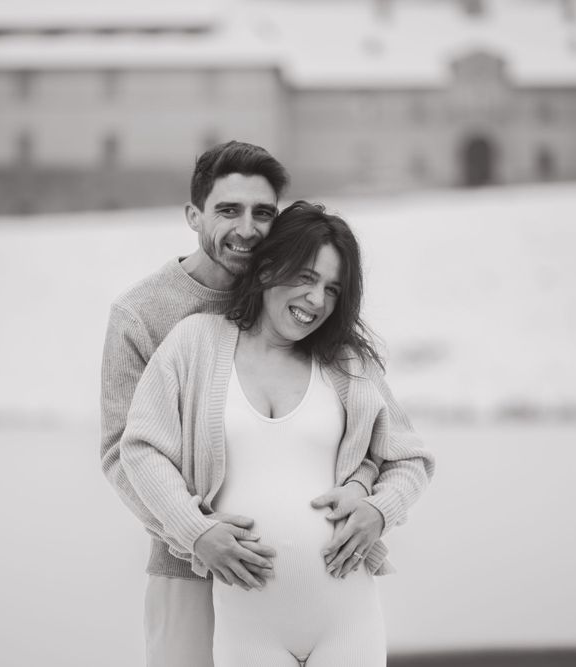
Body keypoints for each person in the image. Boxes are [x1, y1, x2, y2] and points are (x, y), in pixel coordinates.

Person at [101, 141, 392, 666]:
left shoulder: (298, 310)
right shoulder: (142, 315)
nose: (247, 228)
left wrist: (365, 488)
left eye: (263, 213)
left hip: (313, 602)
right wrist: (197, 535)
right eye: (228, 210)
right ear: (194, 215)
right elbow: (123, 453)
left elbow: (363, 432)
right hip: (187, 569)